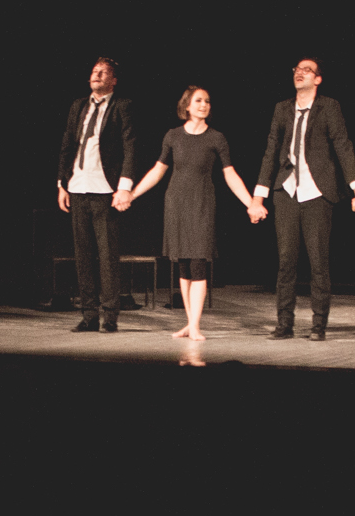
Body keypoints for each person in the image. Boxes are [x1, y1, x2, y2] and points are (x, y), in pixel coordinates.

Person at [115, 86, 261, 341]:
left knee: (198, 263)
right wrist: (131, 194)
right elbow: (158, 171)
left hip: (202, 204)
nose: (204, 105)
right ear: (187, 106)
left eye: (207, 101)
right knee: (183, 265)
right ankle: (190, 323)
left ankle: (195, 324)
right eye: (198, 100)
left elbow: (230, 174)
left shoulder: (216, 138)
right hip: (176, 204)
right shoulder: (173, 135)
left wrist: (251, 203)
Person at [252, 59, 355, 340]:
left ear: (318, 79)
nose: (300, 73)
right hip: (287, 191)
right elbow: (270, 150)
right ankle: (284, 324)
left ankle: (318, 325)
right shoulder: (282, 108)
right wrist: (258, 196)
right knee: (286, 262)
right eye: (297, 69)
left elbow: (343, 146)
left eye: (307, 70)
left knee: (318, 262)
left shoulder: (329, 107)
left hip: (317, 193)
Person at [56, 57, 139, 332]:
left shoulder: (122, 106)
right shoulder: (78, 105)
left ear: (113, 80)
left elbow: (130, 146)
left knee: (107, 256)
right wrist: (62, 183)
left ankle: (110, 315)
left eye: (103, 72)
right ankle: (89, 314)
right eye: (94, 71)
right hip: (78, 186)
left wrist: (124, 186)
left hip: (105, 189)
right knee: (82, 256)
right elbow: (67, 144)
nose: (97, 74)